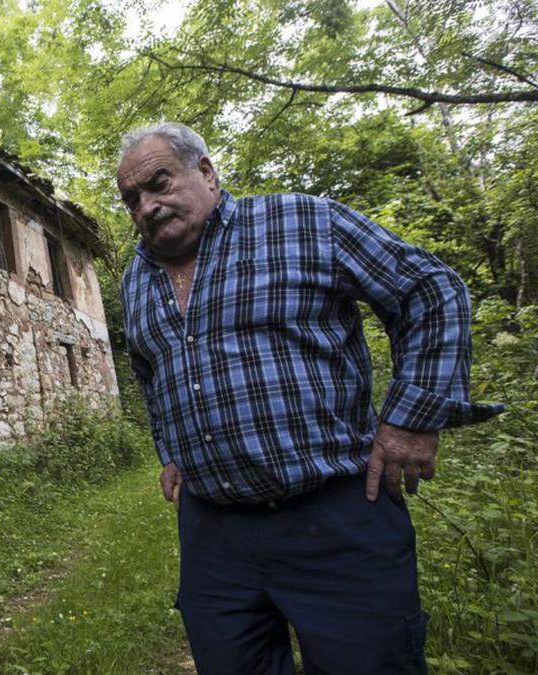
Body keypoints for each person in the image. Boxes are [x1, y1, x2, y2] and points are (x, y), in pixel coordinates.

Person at [117, 122, 502, 675]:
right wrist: (170, 449)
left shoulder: (301, 221)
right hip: (214, 536)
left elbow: (429, 290)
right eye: (133, 199)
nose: (148, 206)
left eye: (159, 183)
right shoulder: (136, 278)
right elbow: (149, 368)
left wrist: (412, 420)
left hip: (337, 515)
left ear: (205, 170)